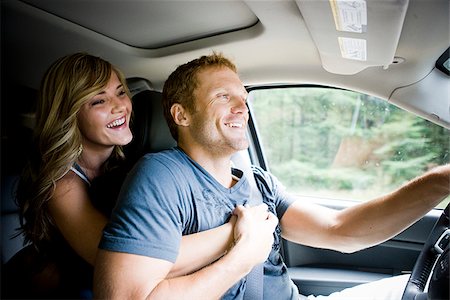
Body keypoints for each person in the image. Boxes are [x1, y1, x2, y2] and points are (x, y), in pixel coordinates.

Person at [94, 52, 450, 299]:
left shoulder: (257, 181)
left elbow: (341, 229)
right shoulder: (160, 177)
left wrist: (438, 182)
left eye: (243, 98)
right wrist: (243, 256)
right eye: (223, 96)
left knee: (423, 287)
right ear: (182, 115)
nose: (241, 107)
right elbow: (125, 296)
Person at [8, 52, 244, 299]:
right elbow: (121, 261)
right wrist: (237, 234)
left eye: (121, 92)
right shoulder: (62, 185)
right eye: (98, 101)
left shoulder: (138, 164)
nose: (120, 106)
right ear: (70, 114)